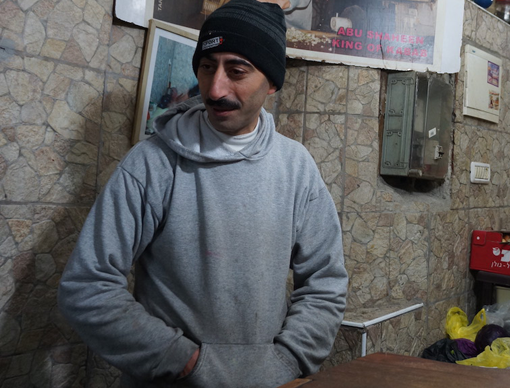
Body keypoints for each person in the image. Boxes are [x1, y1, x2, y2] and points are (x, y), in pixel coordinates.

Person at [57, 1, 348, 387]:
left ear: (273, 81)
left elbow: (325, 282)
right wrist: (185, 360)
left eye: (237, 71)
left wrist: (287, 359)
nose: (214, 88)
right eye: (207, 66)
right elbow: (87, 285)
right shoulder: (151, 164)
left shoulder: (297, 168)